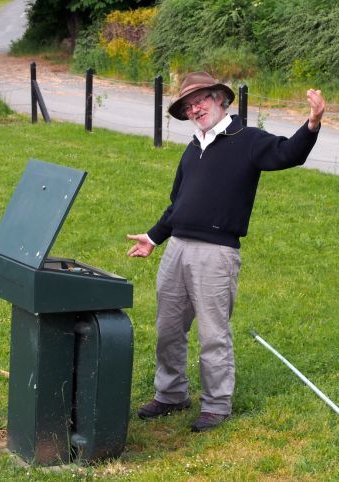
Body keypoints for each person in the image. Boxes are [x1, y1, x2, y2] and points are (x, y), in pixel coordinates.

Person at [127, 71, 325, 432]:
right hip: (177, 251)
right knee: (168, 329)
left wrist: (312, 123)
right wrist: (155, 238)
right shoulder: (192, 147)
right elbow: (178, 203)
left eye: (200, 100)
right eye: (188, 105)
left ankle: (216, 405)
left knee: (213, 334)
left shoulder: (247, 140)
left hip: (216, 255)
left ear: (220, 97)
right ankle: (171, 395)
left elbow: (288, 154)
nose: (194, 109)